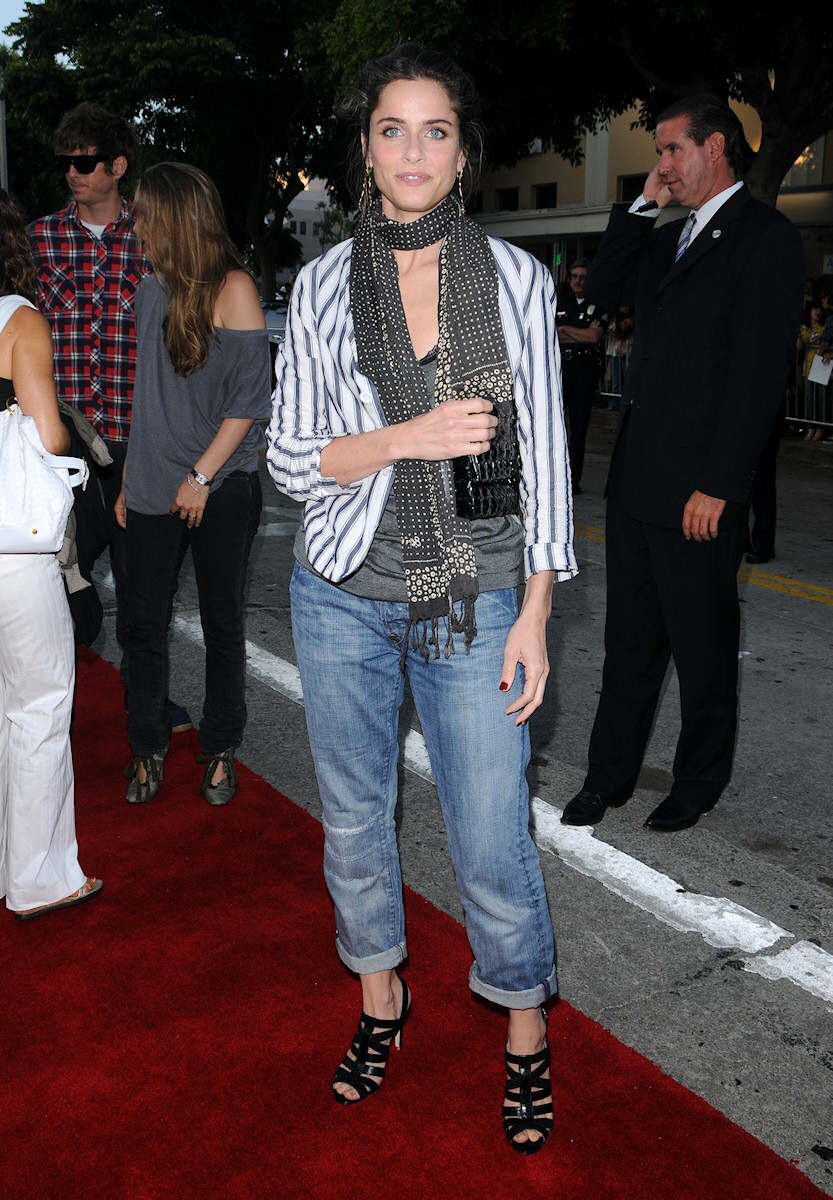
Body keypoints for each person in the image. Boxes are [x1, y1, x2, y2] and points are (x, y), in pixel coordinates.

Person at [267, 43, 576, 1153]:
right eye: (390, 129)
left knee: (490, 830)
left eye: (434, 129)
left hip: (476, 595)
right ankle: (380, 1001)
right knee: (353, 824)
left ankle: (525, 1031)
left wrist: (537, 613)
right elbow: (297, 461)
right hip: (341, 592)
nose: (411, 149)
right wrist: (407, 437)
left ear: (462, 150)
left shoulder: (513, 282)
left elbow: (540, 460)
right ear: (364, 150)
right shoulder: (315, 286)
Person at [561, 93, 804, 834]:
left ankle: (696, 783)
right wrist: (638, 207)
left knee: (700, 649)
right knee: (627, 645)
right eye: (657, 155)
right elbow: (595, 299)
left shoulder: (764, 238)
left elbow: (760, 378)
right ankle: (609, 777)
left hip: (699, 489)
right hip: (637, 481)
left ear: (715, 148)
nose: (661, 166)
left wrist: (721, 486)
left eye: (670, 151)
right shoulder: (666, 241)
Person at [27, 102, 191, 730]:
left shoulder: (153, 241)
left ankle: (147, 702)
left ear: (118, 166)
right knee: (51, 584)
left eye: (85, 161)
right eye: (64, 161)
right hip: (60, 446)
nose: (72, 172)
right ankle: (48, 695)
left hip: (138, 443)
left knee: (147, 593)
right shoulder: (40, 240)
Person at [115, 164, 271, 805]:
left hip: (222, 482)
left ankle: (218, 747)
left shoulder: (234, 288)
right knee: (140, 626)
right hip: (153, 482)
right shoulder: (152, 289)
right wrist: (130, 478)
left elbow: (248, 404)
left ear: (174, 218)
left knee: (221, 622)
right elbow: (146, 399)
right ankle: (146, 746)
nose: (137, 227)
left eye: (146, 215)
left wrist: (201, 477)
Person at [0, 189, 102, 920]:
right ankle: (38, 878)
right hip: (10, 551)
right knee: (36, 705)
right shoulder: (18, 319)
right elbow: (51, 436)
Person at [556, 257, 607, 492]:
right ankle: (554, 475)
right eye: (574, 276)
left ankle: (572, 479)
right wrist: (578, 332)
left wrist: (565, 329)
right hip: (561, 369)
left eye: (582, 277)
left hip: (585, 370)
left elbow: (594, 337)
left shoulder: (598, 304)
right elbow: (552, 334)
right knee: (555, 424)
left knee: (579, 427)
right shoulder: (559, 301)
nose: (577, 281)